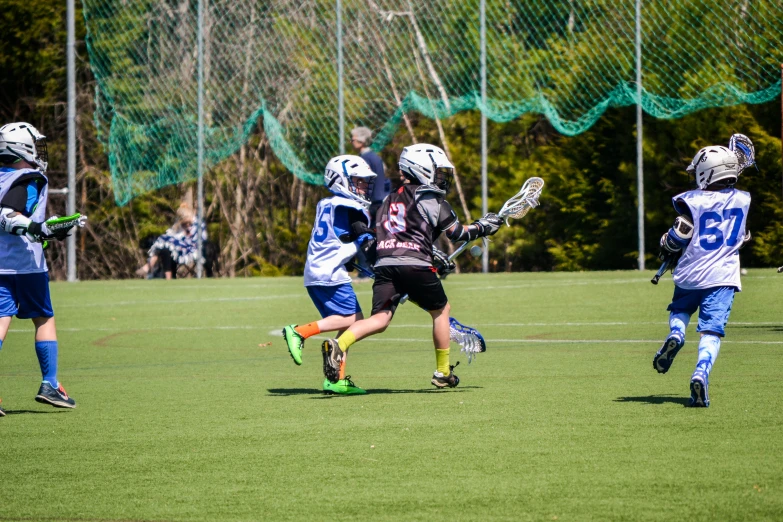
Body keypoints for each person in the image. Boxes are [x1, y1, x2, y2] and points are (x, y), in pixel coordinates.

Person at [320, 144, 503, 390]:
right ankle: (443, 372)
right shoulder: (430, 198)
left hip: (384, 265)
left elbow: (395, 234)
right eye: (437, 172)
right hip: (415, 264)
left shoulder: (386, 199)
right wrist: (483, 226)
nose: (440, 178)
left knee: (380, 319)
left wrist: (432, 252)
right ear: (421, 170)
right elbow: (457, 233)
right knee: (441, 310)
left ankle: (338, 345)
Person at [653, 144, 751, 407]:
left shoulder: (691, 201)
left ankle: (677, 333)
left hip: (691, 273)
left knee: (680, 308)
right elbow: (743, 236)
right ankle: (701, 371)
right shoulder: (743, 199)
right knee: (711, 330)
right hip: (723, 278)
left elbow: (677, 237)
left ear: (706, 172)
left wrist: (666, 244)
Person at [0, 122, 86, 415]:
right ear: (21, 149)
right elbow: (9, 215)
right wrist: (38, 228)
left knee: (0, 322)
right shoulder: (29, 177)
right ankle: (50, 383)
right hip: (25, 267)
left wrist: (47, 233)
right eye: (34, 146)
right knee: (44, 319)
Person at [282, 155, 377, 395]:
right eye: (358, 181)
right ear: (340, 180)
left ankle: (335, 380)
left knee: (346, 329)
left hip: (317, 270)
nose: (364, 186)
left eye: (365, 181)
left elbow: (336, 238)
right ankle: (300, 331)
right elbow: (361, 234)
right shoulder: (350, 206)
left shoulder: (327, 204)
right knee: (354, 320)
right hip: (329, 273)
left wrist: (347, 258)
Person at [136, 204, 208, 279]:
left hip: (190, 248)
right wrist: (181, 231)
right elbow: (173, 235)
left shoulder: (198, 225)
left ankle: (149, 265)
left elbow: (198, 240)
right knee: (165, 249)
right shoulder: (178, 226)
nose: (187, 224)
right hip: (176, 248)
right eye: (184, 223)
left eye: (188, 223)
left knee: (166, 242)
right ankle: (168, 278)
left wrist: (185, 234)